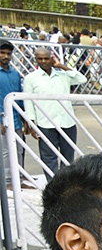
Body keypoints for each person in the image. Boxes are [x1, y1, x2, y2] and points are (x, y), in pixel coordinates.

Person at [22, 47, 87, 177]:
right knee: (49, 158)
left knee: (67, 157)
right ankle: (52, 187)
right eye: (40, 59)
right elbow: (28, 102)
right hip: (45, 123)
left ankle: (65, 186)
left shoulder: (63, 76)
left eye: (46, 58)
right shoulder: (31, 78)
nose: (44, 61)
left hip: (67, 122)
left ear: (52, 58)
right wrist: (32, 123)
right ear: (36, 60)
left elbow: (82, 79)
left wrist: (61, 66)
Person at [0, 40, 27, 178]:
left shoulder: (14, 74)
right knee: (5, 151)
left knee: (18, 150)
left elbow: (19, 98)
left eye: (8, 54)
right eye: (2, 53)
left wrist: (25, 120)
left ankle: (19, 178)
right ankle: (7, 180)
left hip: (16, 119)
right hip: (2, 119)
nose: (6, 56)